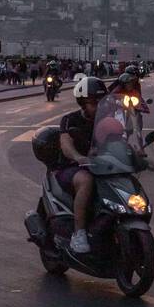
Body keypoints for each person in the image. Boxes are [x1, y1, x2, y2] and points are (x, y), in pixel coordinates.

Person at [56, 77, 107, 254]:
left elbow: (120, 139)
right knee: (86, 181)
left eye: (101, 101)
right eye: (94, 102)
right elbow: (65, 144)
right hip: (73, 168)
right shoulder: (70, 120)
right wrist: (78, 157)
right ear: (83, 104)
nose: (99, 106)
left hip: (102, 167)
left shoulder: (107, 121)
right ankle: (79, 233)